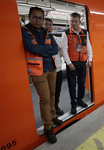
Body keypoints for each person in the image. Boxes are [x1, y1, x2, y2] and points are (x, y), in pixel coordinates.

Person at [21, 7, 63, 144]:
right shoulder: (24, 31)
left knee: (52, 95)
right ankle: (48, 127)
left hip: (52, 68)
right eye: (35, 17)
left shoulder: (47, 32)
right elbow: (31, 48)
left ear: (43, 19)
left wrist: (41, 50)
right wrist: (46, 49)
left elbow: (55, 49)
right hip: (38, 71)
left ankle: (53, 116)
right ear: (29, 16)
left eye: (40, 18)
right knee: (44, 99)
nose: (37, 20)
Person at [62, 12, 93, 114]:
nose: (73, 23)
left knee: (81, 84)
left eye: (75, 21)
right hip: (72, 64)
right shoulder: (66, 33)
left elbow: (88, 47)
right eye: (71, 21)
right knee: (72, 86)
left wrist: (90, 59)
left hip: (82, 63)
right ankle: (73, 105)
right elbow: (64, 50)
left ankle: (80, 100)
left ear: (79, 22)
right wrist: (69, 63)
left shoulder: (85, 32)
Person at [43, 18, 64, 116]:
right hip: (48, 69)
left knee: (57, 90)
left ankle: (55, 106)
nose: (48, 26)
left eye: (50, 24)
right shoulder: (40, 39)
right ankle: (49, 112)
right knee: (48, 93)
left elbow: (60, 52)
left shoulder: (55, 38)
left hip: (58, 68)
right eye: (46, 24)